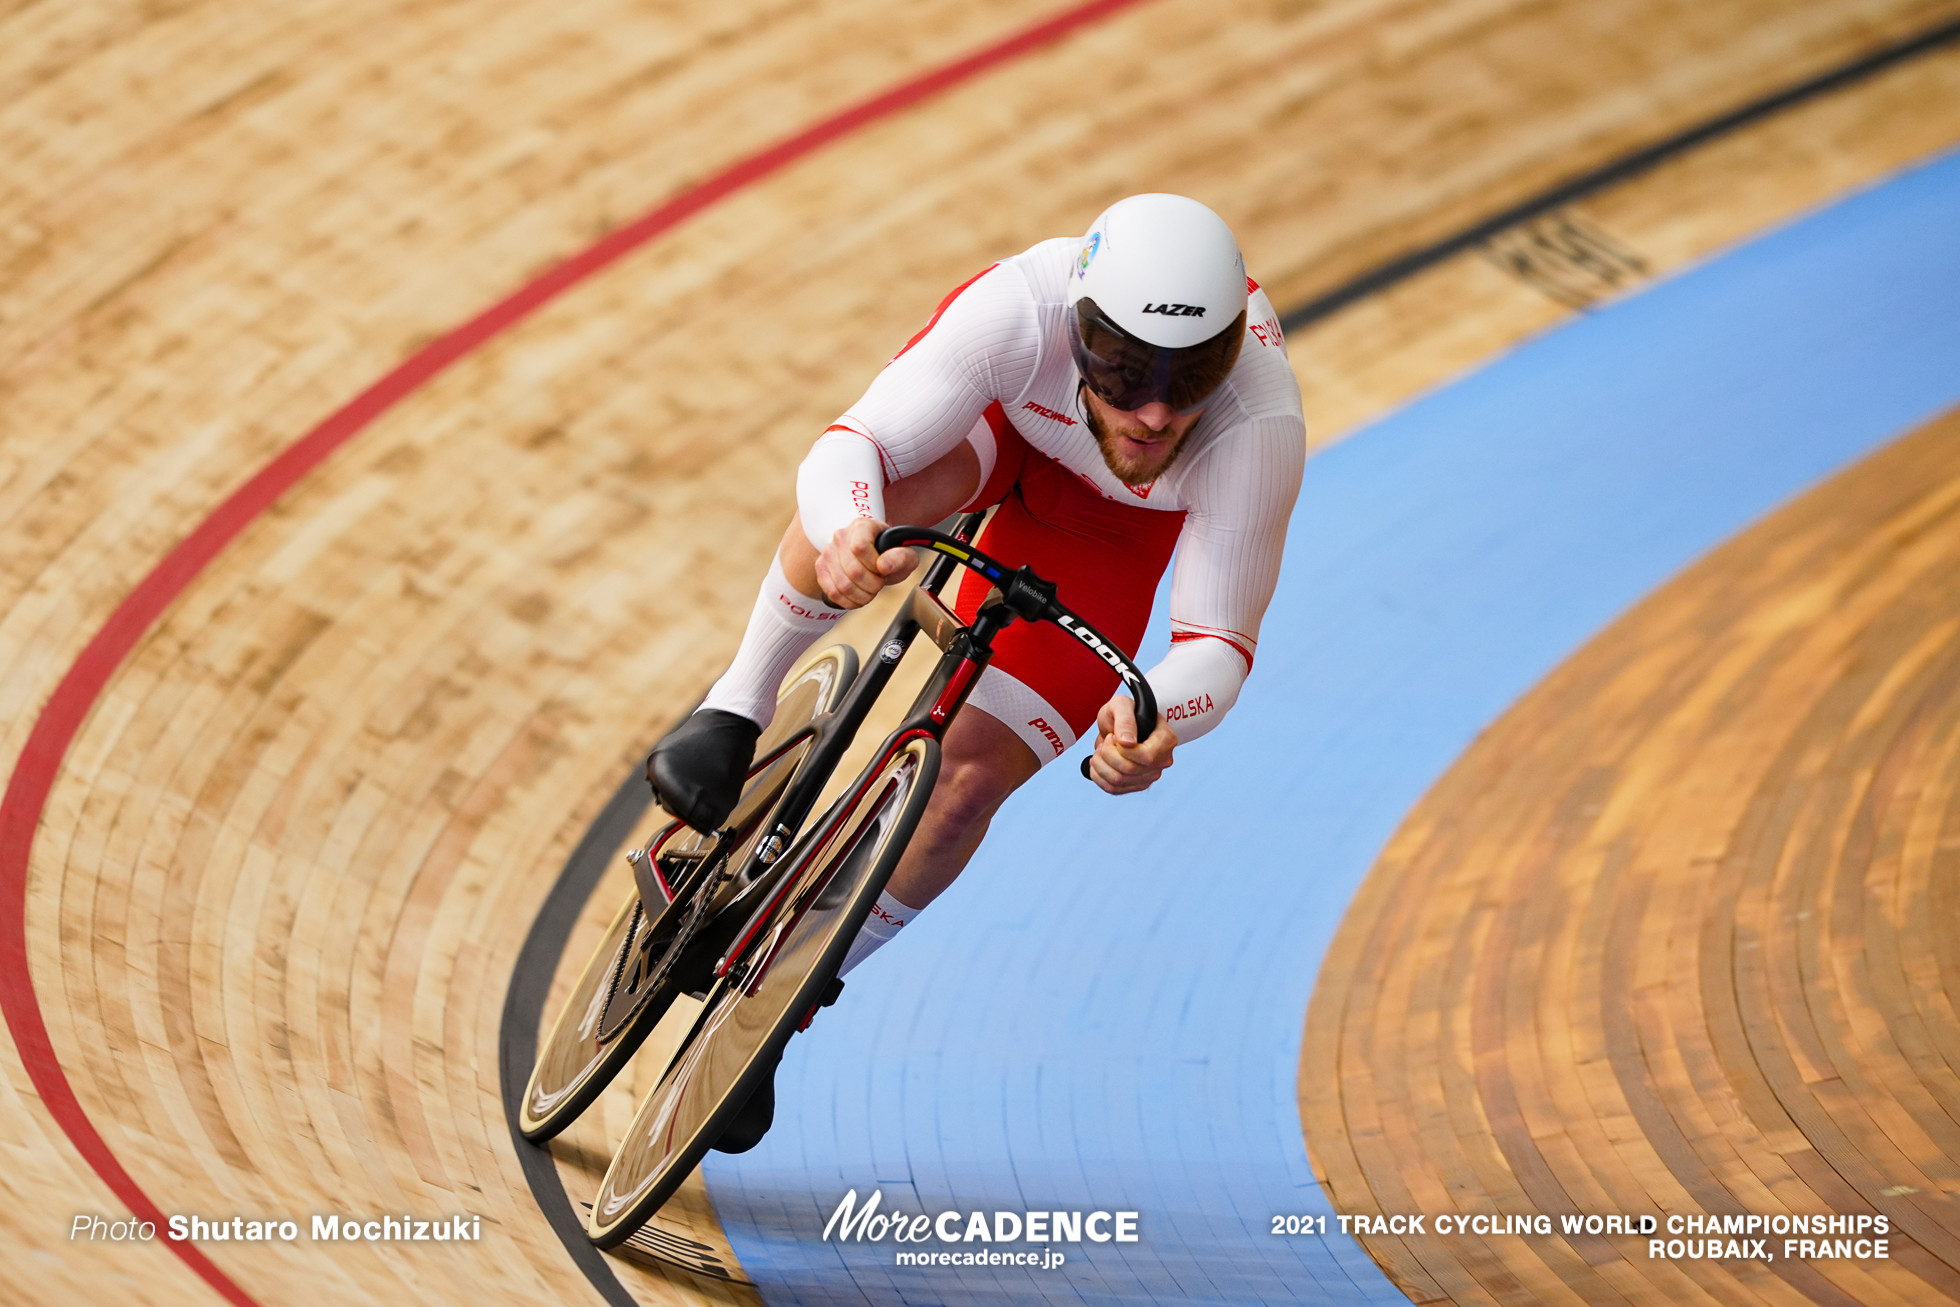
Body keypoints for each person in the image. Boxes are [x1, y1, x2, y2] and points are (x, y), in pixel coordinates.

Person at [648, 193, 1305, 1148]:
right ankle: (736, 705)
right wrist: (846, 537)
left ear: (1234, 351)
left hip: (1113, 537)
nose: (1156, 411)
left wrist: (1150, 713)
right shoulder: (1017, 309)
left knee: (962, 789)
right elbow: (853, 446)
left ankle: (771, 1017)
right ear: (1079, 332)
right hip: (1004, 442)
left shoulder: (1257, 420)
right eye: (1124, 372)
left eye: (1190, 375)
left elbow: (1218, 643)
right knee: (889, 497)